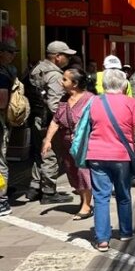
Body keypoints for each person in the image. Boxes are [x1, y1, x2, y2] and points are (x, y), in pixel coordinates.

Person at [83, 68, 135, 252]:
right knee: (123, 195)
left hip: (96, 154)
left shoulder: (93, 102)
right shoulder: (132, 103)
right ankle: (125, 231)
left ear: (103, 85)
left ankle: (102, 239)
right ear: (125, 85)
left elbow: (84, 127)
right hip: (121, 156)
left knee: (101, 197)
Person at [26, 41, 76, 204]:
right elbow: (55, 105)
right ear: (57, 56)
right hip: (48, 120)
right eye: (66, 55)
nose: (69, 59)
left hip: (36, 117)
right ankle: (48, 192)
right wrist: (65, 122)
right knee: (51, 155)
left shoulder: (38, 68)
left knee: (40, 153)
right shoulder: (54, 75)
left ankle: (35, 188)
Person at [41, 68, 95, 220]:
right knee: (73, 172)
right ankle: (83, 200)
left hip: (84, 144)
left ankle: (86, 206)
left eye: (65, 79)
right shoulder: (64, 99)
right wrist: (48, 140)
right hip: (67, 144)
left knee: (83, 172)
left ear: (75, 83)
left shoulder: (90, 100)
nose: (61, 81)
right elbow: (56, 121)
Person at [0, 40, 18, 216]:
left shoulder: (5, 74)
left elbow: (3, 102)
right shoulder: (4, 74)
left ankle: (1, 200)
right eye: (10, 52)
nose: (13, 56)